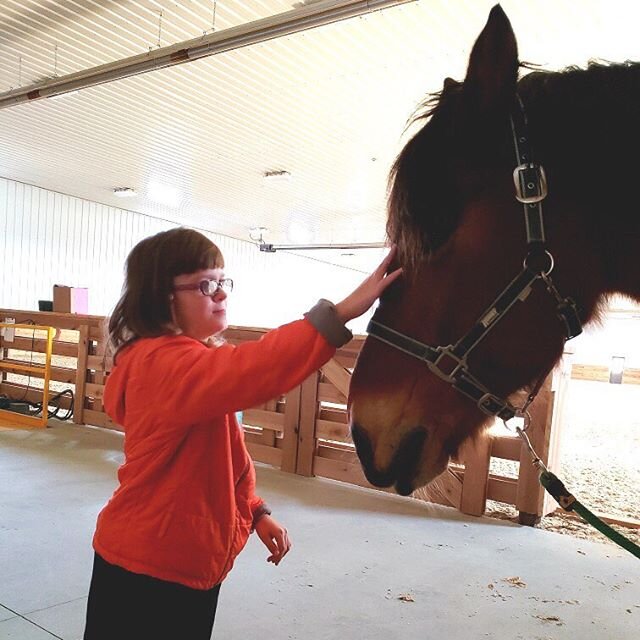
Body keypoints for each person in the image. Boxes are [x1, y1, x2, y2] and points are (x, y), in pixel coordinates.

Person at [83, 227, 402, 639]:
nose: (221, 293)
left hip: (177, 559)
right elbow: (254, 368)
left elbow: (216, 460)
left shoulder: (188, 363)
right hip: (150, 568)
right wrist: (337, 316)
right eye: (205, 284)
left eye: (222, 282)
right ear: (163, 298)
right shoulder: (159, 364)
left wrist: (253, 511)